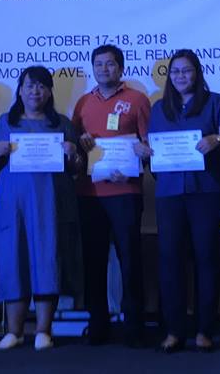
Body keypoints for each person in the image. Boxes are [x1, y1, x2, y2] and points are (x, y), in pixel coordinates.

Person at [137, 49, 220, 353]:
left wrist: (217, 140)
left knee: (206, 258)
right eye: (176, 71)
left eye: (187, 70)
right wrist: (144, 151)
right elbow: (153, 148)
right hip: (169, 193)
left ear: (197, 73)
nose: (181, 76)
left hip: (208, 192)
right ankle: (174, 330)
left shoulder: (216, 102)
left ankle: (205, 330)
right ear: (169, 76)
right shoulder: (159, 108)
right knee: (169, 260)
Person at [0, 65, 84, 351]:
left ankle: (43, 331)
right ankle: (14, 332)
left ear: (50, 91)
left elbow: (76, 169)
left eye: (41, 86)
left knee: (47, 260)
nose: (35, 91)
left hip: (50, 206)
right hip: (13, 206)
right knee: (13, 261)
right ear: (20, 90)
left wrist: (74, 154)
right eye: (29, 85)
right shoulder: (5, 123)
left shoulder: (62, 123)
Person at [73, 44, 150, 347]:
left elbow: (148, 146)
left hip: (125, 192)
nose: (104, 69)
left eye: (110, 64)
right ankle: (98, 323)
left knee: (130, 259)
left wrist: (138, 161)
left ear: (121, 68)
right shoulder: (82, 103)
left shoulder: (137, 100)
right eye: (99, 64)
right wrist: (81, 144)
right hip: (89, 193)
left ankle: (134, 326)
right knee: (93, 261)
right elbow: (76, 149)